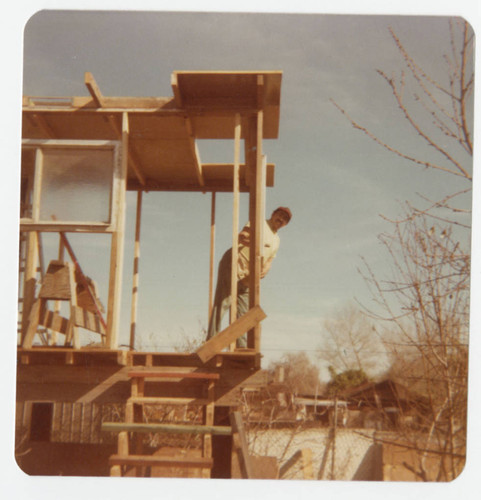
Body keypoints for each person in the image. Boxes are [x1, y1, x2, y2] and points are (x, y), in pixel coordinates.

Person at [206, 207, 292, 347]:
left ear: (285, 225)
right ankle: (210, 343)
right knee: (224, 301)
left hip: (247, 276)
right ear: (273, 213)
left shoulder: (276, 240)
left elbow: (270, 259)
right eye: (280, 215)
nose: (281, 219)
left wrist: (266, 267)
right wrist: (254, 246)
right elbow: (242, 236)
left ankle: (241, 347)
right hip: (234, 263)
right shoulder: (259, 223)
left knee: (243, 311)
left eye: (285, 219)